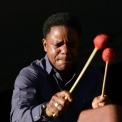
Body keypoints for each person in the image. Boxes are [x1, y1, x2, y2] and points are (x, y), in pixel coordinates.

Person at [10, 12, 110, 122]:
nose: (65, 51)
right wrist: (46, 110)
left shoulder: (93, 75)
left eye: (71, 44)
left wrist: (97, 111)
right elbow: (17, 118)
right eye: (58, 45)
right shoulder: (30, 75)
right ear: (45, 45)